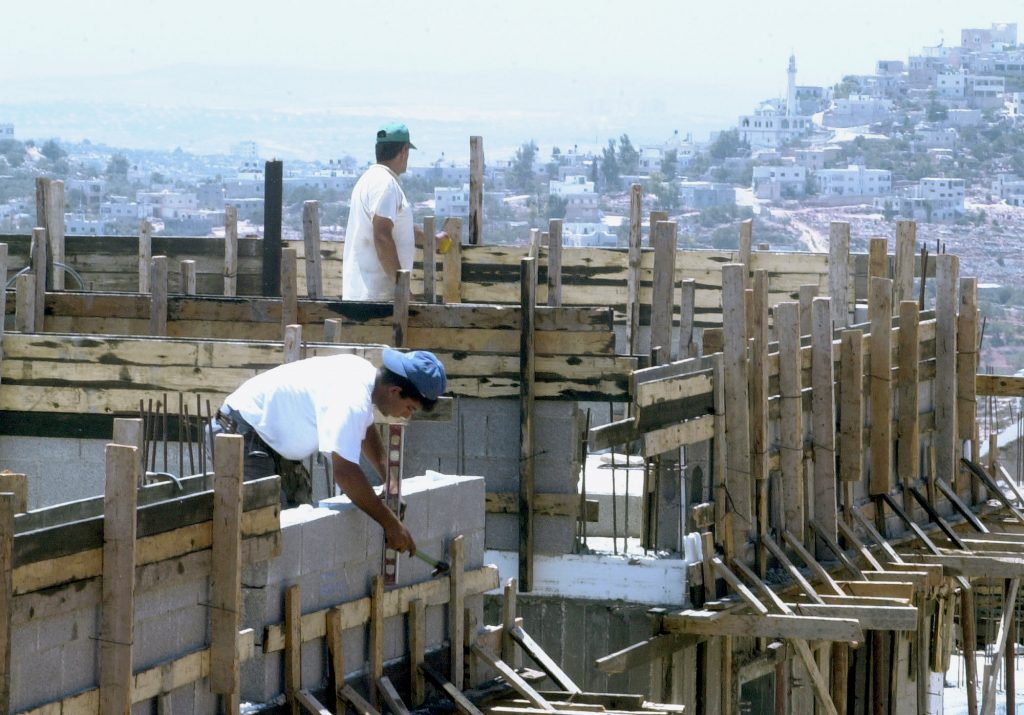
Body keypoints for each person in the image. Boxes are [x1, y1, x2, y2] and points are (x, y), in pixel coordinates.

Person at [216, 348, 447, 556]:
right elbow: (345, 473)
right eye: (409, 408)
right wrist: (391, 524)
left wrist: (390, 480)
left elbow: (365, 428)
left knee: (296, 530)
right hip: (241, 436)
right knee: (261, 541)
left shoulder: (364, 377)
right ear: (395, 391)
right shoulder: (350, 398)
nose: (406, 415)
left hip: (268, 441)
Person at [343, 122, 423, 301]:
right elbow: (382, 235)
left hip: (363, 297)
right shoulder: (386, 184)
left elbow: (395, 228)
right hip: (378, 302)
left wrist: (430, 239)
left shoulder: (369, 180)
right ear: (403, 151)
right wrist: (402, 290)